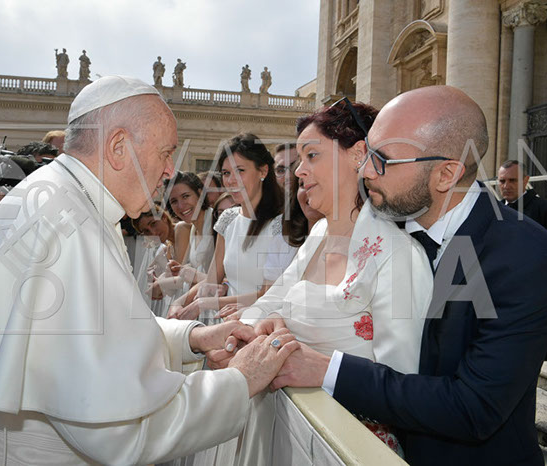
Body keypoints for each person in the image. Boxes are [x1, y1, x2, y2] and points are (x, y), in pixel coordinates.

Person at [0, 75, 300, 465]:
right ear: (118, 147)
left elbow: (105, 336)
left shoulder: (64, 199)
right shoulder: (71, 225)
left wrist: (194, 336)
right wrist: (239, 381)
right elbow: (121, 426)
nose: (170, 170)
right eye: (166, 153)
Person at [263, 85, 547, 465]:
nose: (365, 170)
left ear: (446, 174)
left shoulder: (526, 257)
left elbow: (472, 407)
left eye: (382, 159)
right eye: (367, 154)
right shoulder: (384, 227)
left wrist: (328, 370)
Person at [209, 100, 432, 463]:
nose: (299, 171)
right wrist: (245, 332)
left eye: (311, 156)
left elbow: (400, 381)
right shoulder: (318, 234)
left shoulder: (398, 254)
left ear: (357, 155)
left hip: (343, 444)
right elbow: (273, 301)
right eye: (299, 160)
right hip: (285, 430)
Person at [168, 133, 297, 322]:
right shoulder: (227, 219)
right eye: (226, 173)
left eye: (240, 171)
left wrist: (205, 304)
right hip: (226, 323)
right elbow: (212, 280)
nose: (231, 180)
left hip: (262, 325)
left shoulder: (282, 223)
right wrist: (179, 302)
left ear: (263, 171)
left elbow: (269, 294)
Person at [498, 159, 547, 362]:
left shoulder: (546, 210)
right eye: (502, 181)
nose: (506, 186)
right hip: (500, 303)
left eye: (513, 180)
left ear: (525, 180)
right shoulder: (493, 211)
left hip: (534, 303)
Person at [132, 205, 176, 318]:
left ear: (164, 217)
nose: (153, 232)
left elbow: (177, 275)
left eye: (153, 224)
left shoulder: (182, 229)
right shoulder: (165, 248)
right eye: (146, 231)